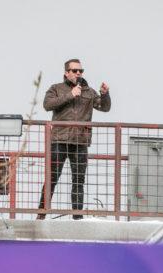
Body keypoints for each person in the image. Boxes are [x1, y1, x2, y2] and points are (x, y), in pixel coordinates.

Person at [38, 58, 111, 219]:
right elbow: (47, 104)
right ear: (66, 73)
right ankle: (41, 214)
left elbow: (104, 108)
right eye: (75, 70)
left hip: (80, 141)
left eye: (81, 71)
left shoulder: (89, 91)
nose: (78, 73)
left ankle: (77, 217)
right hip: (59, 140)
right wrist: (70, 95)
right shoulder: (56, 88)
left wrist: (105, 95)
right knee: (52, 177)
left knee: (78, 180)